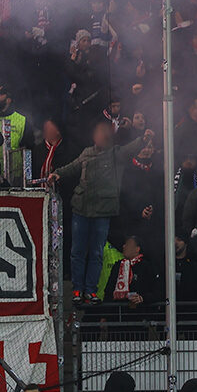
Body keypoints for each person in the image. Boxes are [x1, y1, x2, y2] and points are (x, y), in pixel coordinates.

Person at [46, 121, 146, 304]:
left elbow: (131, 148)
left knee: (96, 252)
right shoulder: (87, 152)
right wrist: (58, 173)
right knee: (78, 251)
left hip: (102, 211)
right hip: (81, 208)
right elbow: (73, 167)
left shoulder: (116, 154)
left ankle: (90, 290)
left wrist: (143, 138)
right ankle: (77, 289)